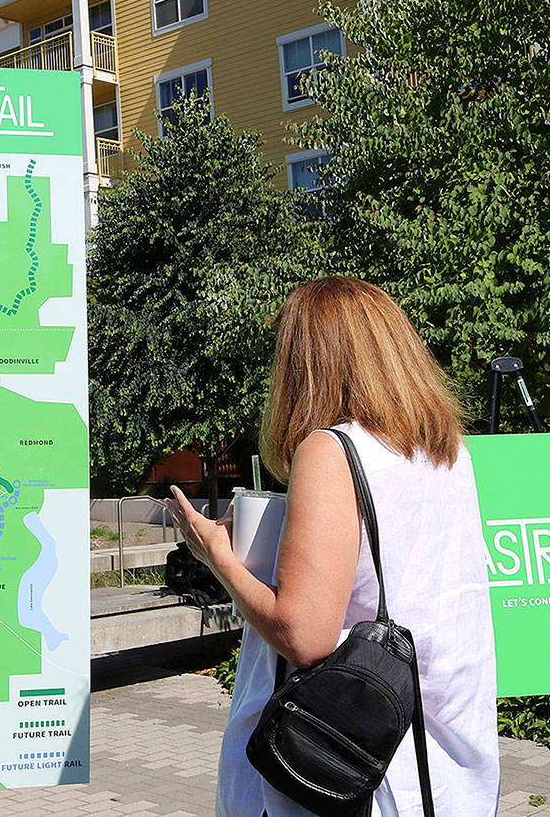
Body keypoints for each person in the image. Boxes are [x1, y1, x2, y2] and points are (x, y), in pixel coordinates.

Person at [167, 276, 499, 816]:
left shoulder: (331, 450)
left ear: (308, 362)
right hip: (441, 763)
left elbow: (305, 634)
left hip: (350, 771)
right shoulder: (448, 452)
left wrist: (218, 558)